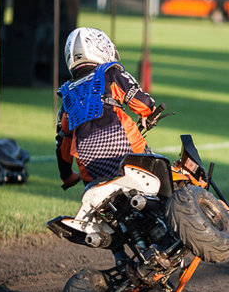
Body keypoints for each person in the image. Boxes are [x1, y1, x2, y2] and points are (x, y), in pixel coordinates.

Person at [55, 27, 162, 189]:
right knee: (160, 179)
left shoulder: (67, 95)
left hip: (88, 159)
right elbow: (143, 103)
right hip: (124, 147)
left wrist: (67, 176)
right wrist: (149, 112)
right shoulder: (110, 73)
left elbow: (63, 143)